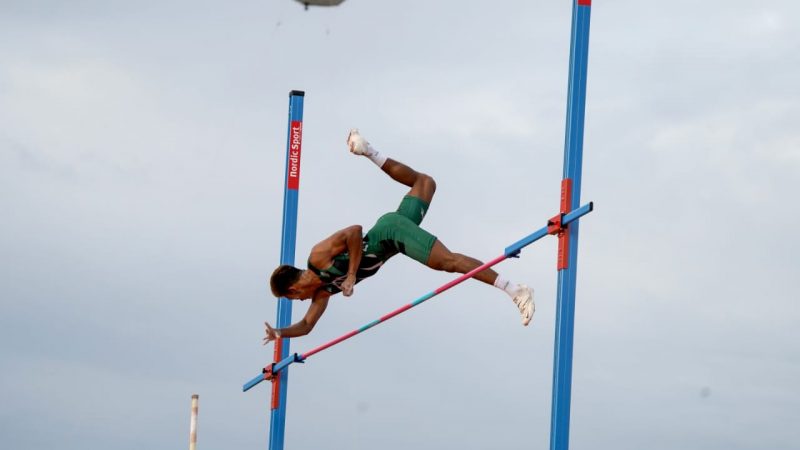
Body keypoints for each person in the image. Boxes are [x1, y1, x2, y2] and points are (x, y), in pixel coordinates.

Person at [263, 130, 534, 344]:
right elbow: (307, 326)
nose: (299, 303)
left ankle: (514, 290)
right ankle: (369, 151)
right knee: (425, 183)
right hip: (391, 236)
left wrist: (350, 275)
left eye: (293, 299)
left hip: (390, 234)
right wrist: (279, 333)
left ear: (294, 289)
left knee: (447, 262)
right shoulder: (322, 292)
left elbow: (354, 232)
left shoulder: (318, 257)